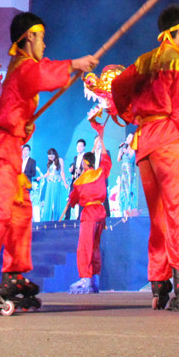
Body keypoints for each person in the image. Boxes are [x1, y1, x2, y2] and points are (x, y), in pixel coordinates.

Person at [0, 11, 97, 310]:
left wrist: (24, 124)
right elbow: (42, 75)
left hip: (11, 149)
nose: (45, 45)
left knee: (21, 208)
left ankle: (13, 273)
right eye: (42, 38)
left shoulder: (21, 69)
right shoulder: (23, 66)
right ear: (29, 37)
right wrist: (74, 64)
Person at [109, 6, 179, 310]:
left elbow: (117, 85)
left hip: (145, 143)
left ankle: (159, 283)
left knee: (158, 216)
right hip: (167, 140)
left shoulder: (144, 60)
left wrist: (132, 114)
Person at [65, 114, 112, 293]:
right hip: (101, 212)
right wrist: (101, 137)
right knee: (95, 246)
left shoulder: (80, 181)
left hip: (90, 214)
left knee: (85, 247)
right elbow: (107, 159)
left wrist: (71, 199)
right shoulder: (100, 173)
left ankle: (86, 278)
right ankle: (95, 278)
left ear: (84, 163)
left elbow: (73, 201)